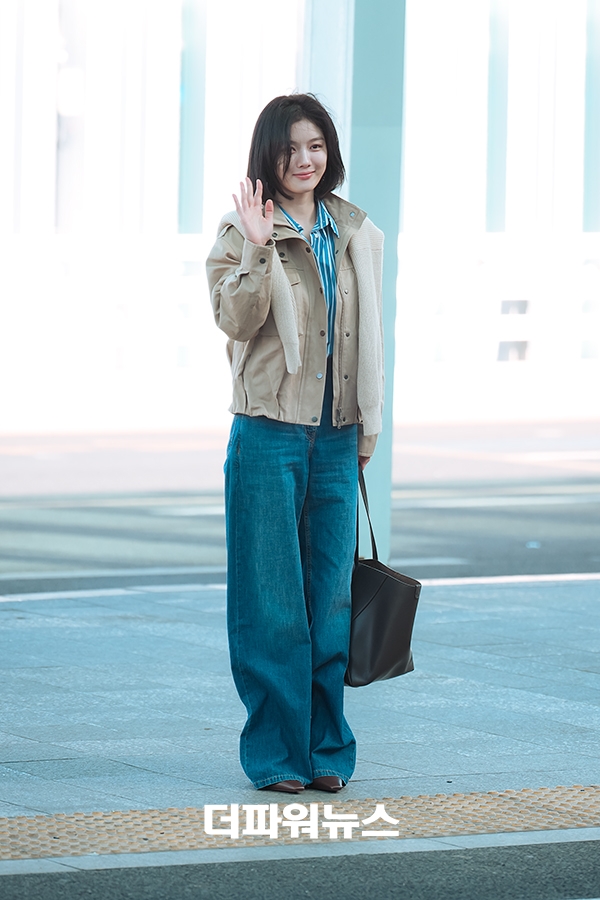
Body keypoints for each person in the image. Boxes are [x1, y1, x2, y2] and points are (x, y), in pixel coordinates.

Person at [206, 93, 384, 794]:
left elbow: (370, 337)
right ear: (268, 157)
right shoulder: (240, 229)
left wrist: (368, 425)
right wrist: (254, 244)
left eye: (314, 145)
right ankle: (278, 754)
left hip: (338, 437)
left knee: (330, 602)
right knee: (271, 604)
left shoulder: (355, 230)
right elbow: (236, 321)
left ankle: (328, 750)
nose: (303, 160)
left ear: (329, 151)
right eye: (289, 148)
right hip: (268, 434)